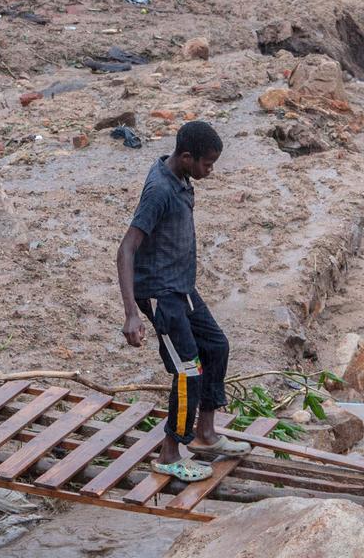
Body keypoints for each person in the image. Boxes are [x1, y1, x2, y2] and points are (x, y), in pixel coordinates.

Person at [116, 121, 250, 483]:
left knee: (216, 347)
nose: (211, 170)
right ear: (187, 157)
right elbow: (126, 248)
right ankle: (170, 452)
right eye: (207, 164)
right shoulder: (160, 190)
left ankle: (205, 436)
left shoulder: (180, 178)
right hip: (161, 295)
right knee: (188, 370)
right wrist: (132, 313)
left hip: (182, 288)